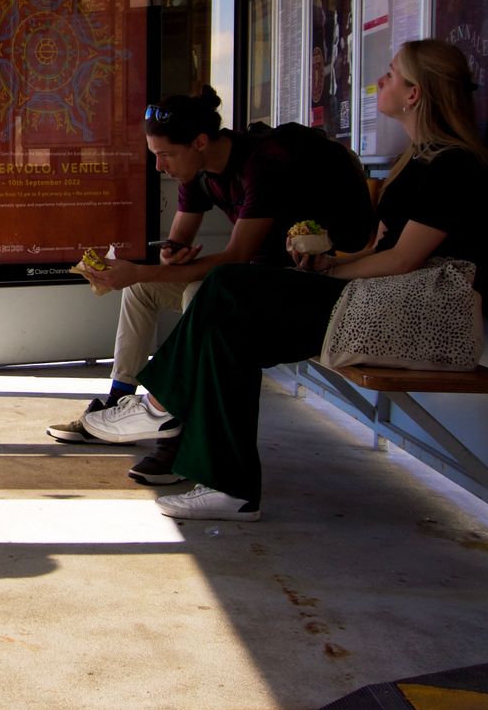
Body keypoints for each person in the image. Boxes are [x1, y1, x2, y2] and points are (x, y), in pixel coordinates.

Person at [79, 40, 488, 523]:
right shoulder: (417, 162)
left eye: (392, 74)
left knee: (230, 287)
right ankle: (228, 487)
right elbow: (379, 250)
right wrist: (324, 265)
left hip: (416, 314)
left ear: (415, 94)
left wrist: (334, 271)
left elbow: (404, 261)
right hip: (378, 299)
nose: (381, 80)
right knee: (227, 331)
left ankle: (159, 403)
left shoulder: (454, 167)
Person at [47, 89, 374, 488]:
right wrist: (170, 257)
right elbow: (178, 243)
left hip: (299, 287)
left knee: (195, 296)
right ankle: (120, 400)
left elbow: (236, 256)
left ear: (200, 142)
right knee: (142, 292)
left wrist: (139, 271)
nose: (158, 166)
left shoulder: (261, 163)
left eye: (165, 155)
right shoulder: (196, 173)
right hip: (252, 283)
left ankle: (177, 428)